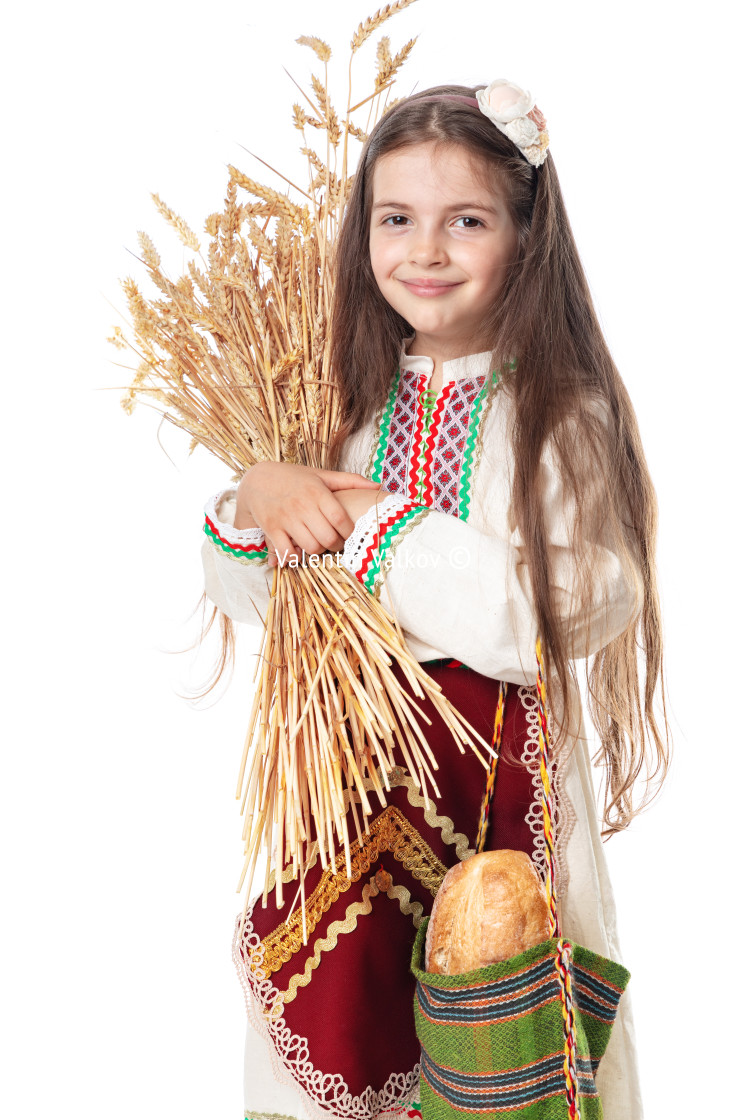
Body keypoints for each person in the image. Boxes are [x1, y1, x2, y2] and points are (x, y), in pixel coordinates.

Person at [201, 80, 667, 1120]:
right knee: (327, 1064)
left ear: (526, 234)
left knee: (510, 1062)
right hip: (344, 812)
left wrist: (371, 526)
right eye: (397, 219)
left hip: (506, 811)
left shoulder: (562, 418)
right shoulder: (338, 412)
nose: (428, 249)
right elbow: (255, 594)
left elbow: (560, 609)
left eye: (467, 220)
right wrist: (259, 494)